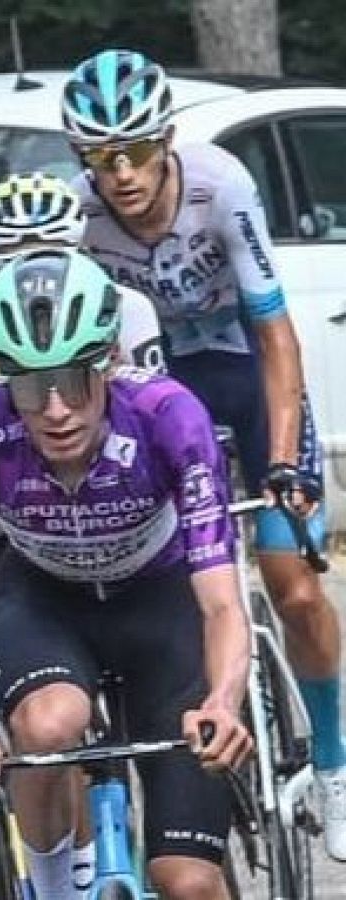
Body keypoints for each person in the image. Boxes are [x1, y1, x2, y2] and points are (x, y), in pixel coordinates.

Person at [62, 48, 346, 857]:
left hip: (247, 378)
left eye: (135, 151)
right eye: (100, 157)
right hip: (162, 390)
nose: (120, 173)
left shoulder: (221, 186)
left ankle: (333, 761)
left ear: (165, 141)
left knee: (292, 583)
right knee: (179, 582)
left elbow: (276, 336)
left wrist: (283, 463)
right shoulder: (81, 218)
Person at [0, 250, 252, 900]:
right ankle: (53, 890)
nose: (54, 410)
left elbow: (221, 601)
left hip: (160, 595)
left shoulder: (168, 415)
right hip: (44, 596)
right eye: (28, 387)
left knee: (186, 882)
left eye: (74, 381)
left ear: (108, 362)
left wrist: (223, 700)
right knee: (47, 725)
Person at [0, 171, 164, 373]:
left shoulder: (129, 306)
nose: (38, 279)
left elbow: (151, 387)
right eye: (13, 261)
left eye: (52, 260)